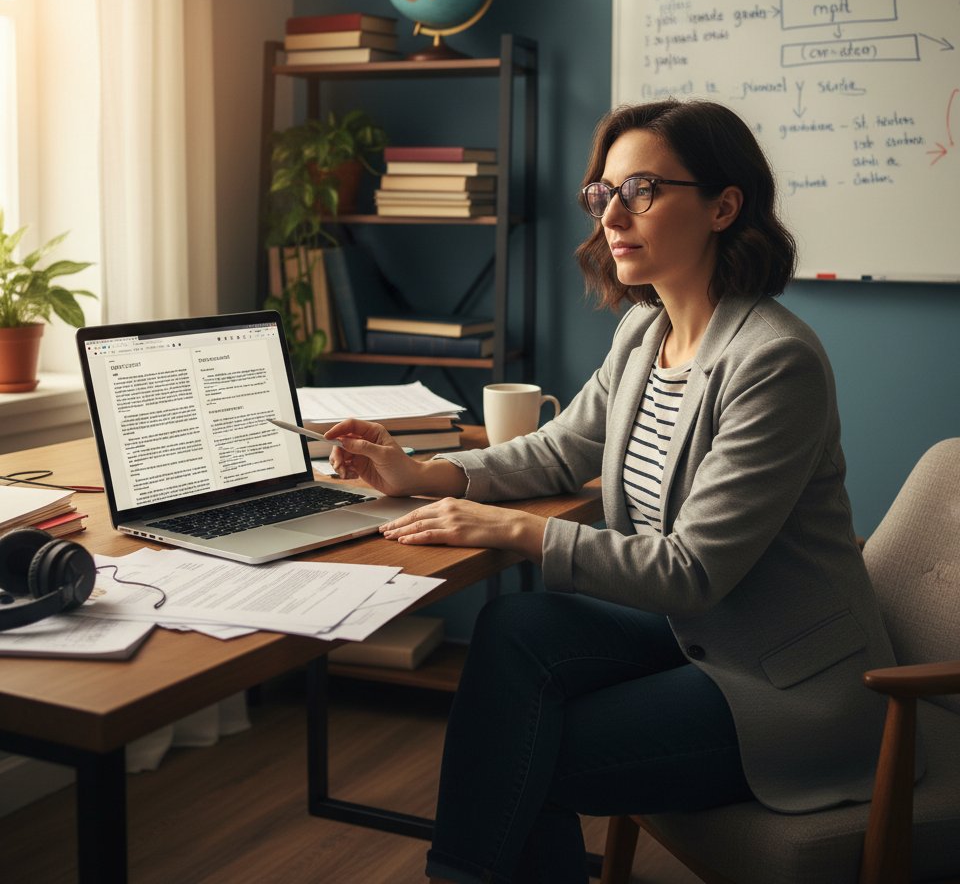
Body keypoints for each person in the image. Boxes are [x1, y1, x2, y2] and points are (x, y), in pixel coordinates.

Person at [325, 99, 901, 884]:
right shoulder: (643, 330)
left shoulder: (775, 362)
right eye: (603, 194)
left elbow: (691, 572)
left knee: (526, 753)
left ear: (724, 207)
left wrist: (511, 529)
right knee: (513, 628)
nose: (612, 217)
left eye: (642, 190)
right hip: (695, 632)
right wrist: (424, 474)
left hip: (783, 683)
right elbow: (564, 448)